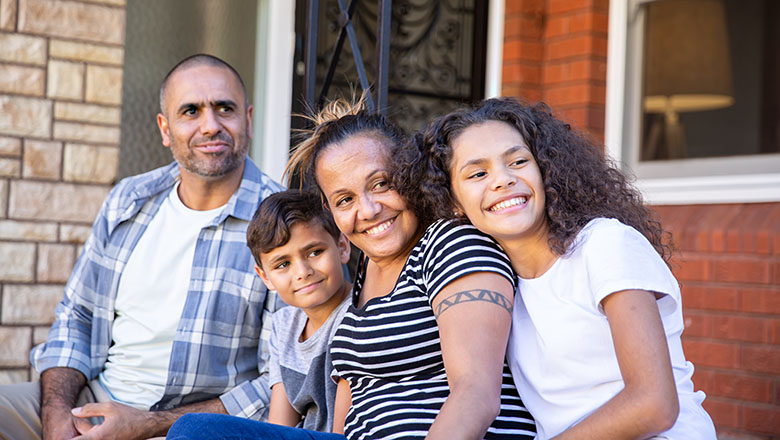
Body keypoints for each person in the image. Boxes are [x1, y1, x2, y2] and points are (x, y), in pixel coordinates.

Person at [167, 96, 536, 440]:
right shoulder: (365, 274)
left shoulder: (451, 243)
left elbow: (477, 395)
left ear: (409, 176)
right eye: (345, 199)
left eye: (381, 184)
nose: (369, 210)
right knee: (197, 432)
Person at [0, 54, 284, 440]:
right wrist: (56, 415)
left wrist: (145, 425)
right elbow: (77, 316)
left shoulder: (281, 223)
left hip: (189, 427)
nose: (211, 125)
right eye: (191, 111)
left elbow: (280, 379)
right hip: (93, 400)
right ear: (165, 129)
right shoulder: (129, 199)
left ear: (248, 119)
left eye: (224, 108)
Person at [398, 96, 717, 439]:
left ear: (544, 169)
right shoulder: (498, 283)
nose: (503, 180)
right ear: (454, 202)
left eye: (518, 161)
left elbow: (654, 405)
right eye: (478, 173)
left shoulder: (605, 245)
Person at [168, 190, 351, 439]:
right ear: (265, 277)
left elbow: (345, 432)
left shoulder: (358, 315)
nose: (302, 271)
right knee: (191, 427)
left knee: (193, 429)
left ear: (342, 246)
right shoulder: (285, 325)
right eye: (283, 264)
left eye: (314, 252)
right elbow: (277, 428)